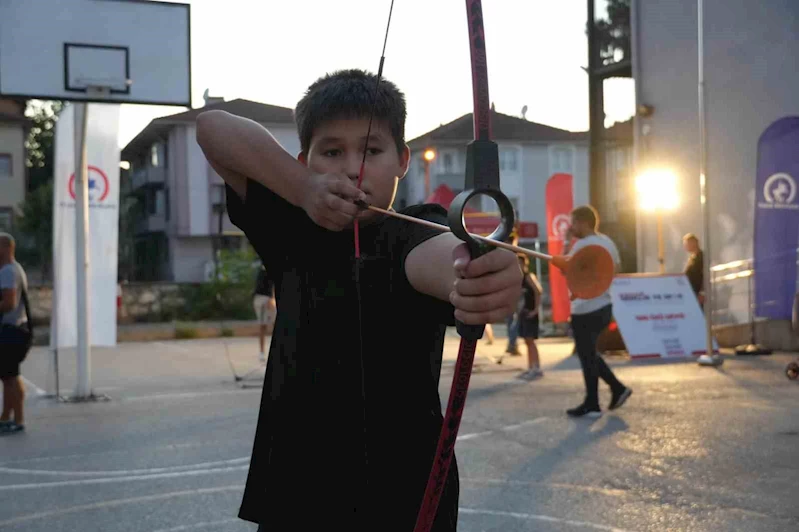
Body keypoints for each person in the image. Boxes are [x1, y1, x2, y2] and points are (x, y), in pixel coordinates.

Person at [195, 68, 522, 532]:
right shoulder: (290, 226)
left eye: (371, 150)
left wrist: (484, 273)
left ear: (403, 159)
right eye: (332, 152)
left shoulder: (416, 230)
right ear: (305, 159)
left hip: (406, 499)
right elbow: (213, 128)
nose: (353, 168)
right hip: (296, 494)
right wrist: (303, 188)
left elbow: (447, 259)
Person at [565, 206, 632, 418]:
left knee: (587, 356)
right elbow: (617, 269)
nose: (571, 226)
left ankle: (598, 400)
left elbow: (569, 271)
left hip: (584, 309)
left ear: (584, 223)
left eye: (573, 222)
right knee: (590, 354)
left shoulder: (582, 245)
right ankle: (611, 392)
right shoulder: (607, 242)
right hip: (604, 305)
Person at [0, 233, 31, 435]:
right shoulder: (13, 269)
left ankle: (17, 419)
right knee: (8, 376)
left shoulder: (9, 271)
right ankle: (6, 417)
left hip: (12, 331)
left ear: (5, 248)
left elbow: (9, 303)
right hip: (16, 330)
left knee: (11, 377)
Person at [516, 255, 544, 380]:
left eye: (519, 263)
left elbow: (538, 291)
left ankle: (536, 368)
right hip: (523, 313)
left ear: (524, 264)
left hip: (531, 312)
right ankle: (530, 367)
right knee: (527, 341)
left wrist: (535, 310)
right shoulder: (519, 279)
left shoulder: (529, 276)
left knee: (531, 341)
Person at [252, 264, 276, 362]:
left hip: (268, 298)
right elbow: (264, 286)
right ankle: (262, 353)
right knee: (263, 326)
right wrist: (270, 298)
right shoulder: (262, 271)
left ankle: (262, 353)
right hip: (262, 298)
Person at [682, 233, 704, 306]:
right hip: (691, 293)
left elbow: (704, 275)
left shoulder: (701, 257)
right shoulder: (691, 258)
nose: (685, 247)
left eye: (686, 244)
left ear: (693, 243)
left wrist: (702, 292)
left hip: (698, 294)